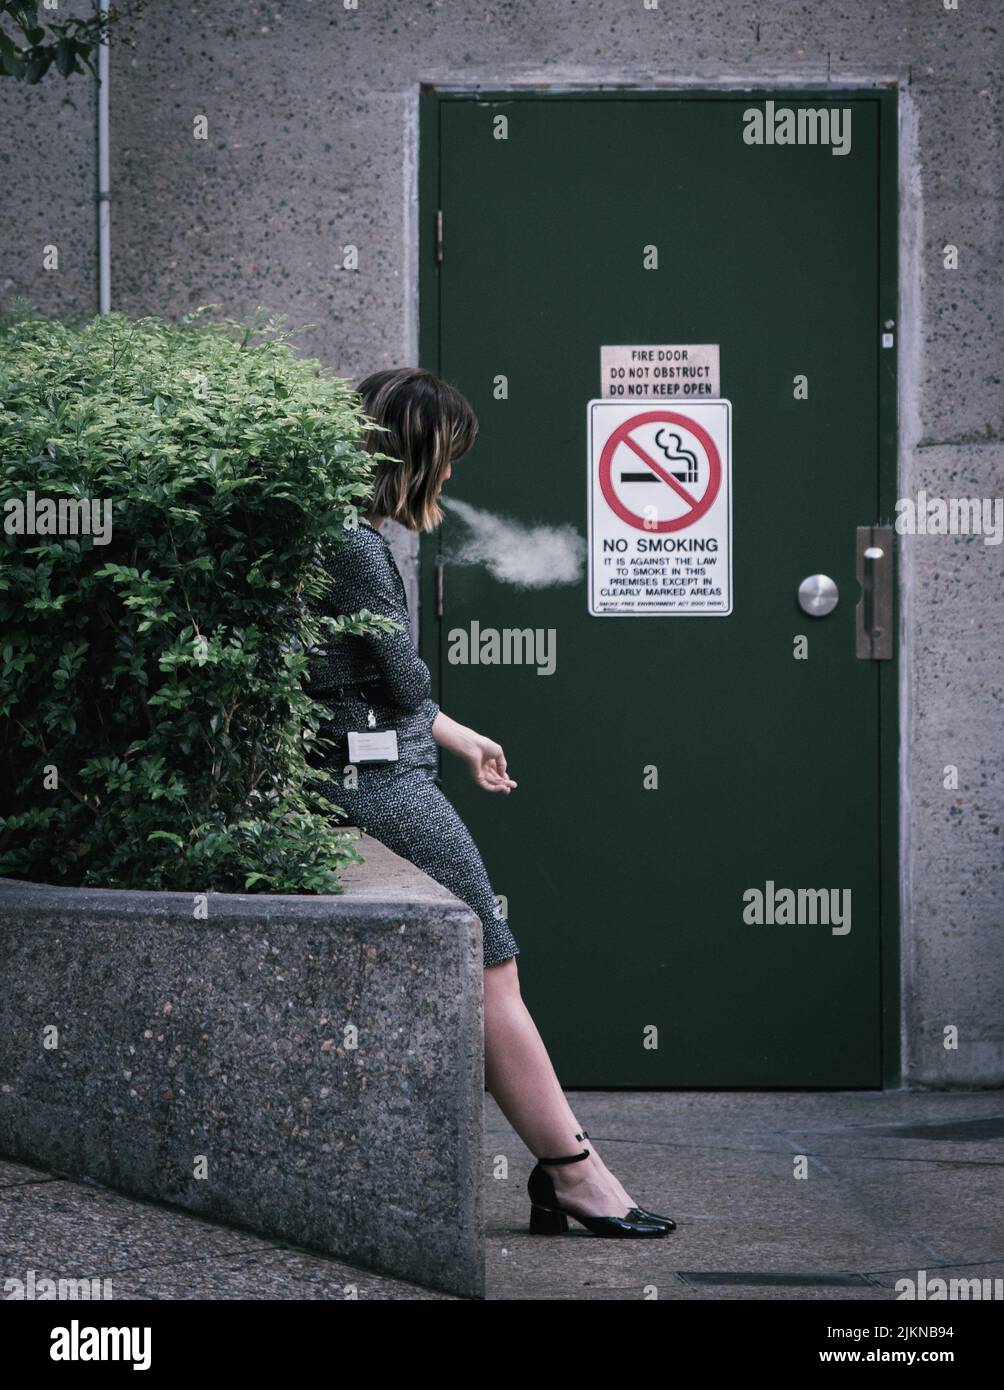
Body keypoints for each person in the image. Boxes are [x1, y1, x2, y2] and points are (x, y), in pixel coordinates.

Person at [307, 367, 675, 1238]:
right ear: (414, 453)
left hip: (382, 766)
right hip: (381, 785)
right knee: (492, 964)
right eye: (448, 458)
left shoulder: (336, 534)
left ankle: (565, 1172)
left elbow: (377, 689)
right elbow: (397, 679)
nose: (451, 480)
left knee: (480, 963)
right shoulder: (356, 548)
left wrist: (458, 734)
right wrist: (426, 699)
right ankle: (573, 1174)